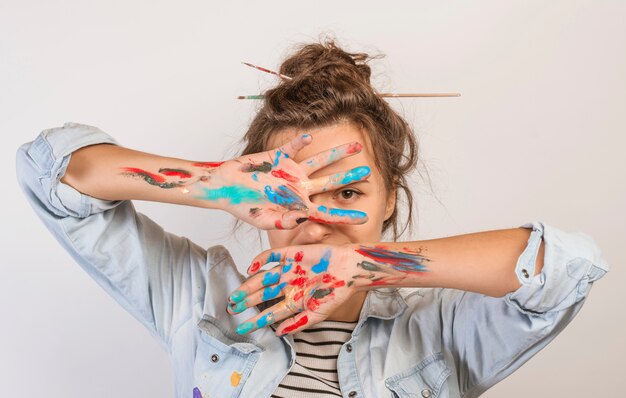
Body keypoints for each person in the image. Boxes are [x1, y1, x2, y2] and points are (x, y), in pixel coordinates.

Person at [16, 40, 609, 398]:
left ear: (390, 200)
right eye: (289, 198)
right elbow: (50, 169)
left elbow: (566, 267)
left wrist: (362, 266)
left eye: (347, 194)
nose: (317, 222)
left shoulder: (442, 328)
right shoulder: (197, 299)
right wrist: (211, 181)